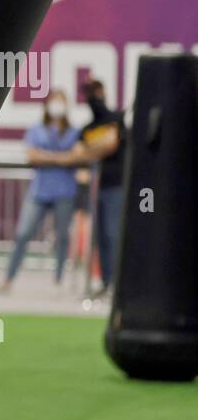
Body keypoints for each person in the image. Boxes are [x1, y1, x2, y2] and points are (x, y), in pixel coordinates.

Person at [0, 90, 80, 292]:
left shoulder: (73, 131)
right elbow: (32, 155)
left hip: (65, 191)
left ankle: (59, 277)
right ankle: (9, 278)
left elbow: (76, 157)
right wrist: (60, 158)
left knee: (62, 236)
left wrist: (50, 157)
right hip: (40, 191)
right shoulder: (37, 129)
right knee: (23, 233)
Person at [79, 79, 125, 294]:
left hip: (118, 185)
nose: (93, 98)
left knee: (114, 235)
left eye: (96, 92)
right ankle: (107, 283)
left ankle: (118, 284)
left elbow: (110, 144)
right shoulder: (88, 128)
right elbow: (79, 152)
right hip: (100, 188)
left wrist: (92, 149)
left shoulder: (116, 119)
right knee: (102, 238)